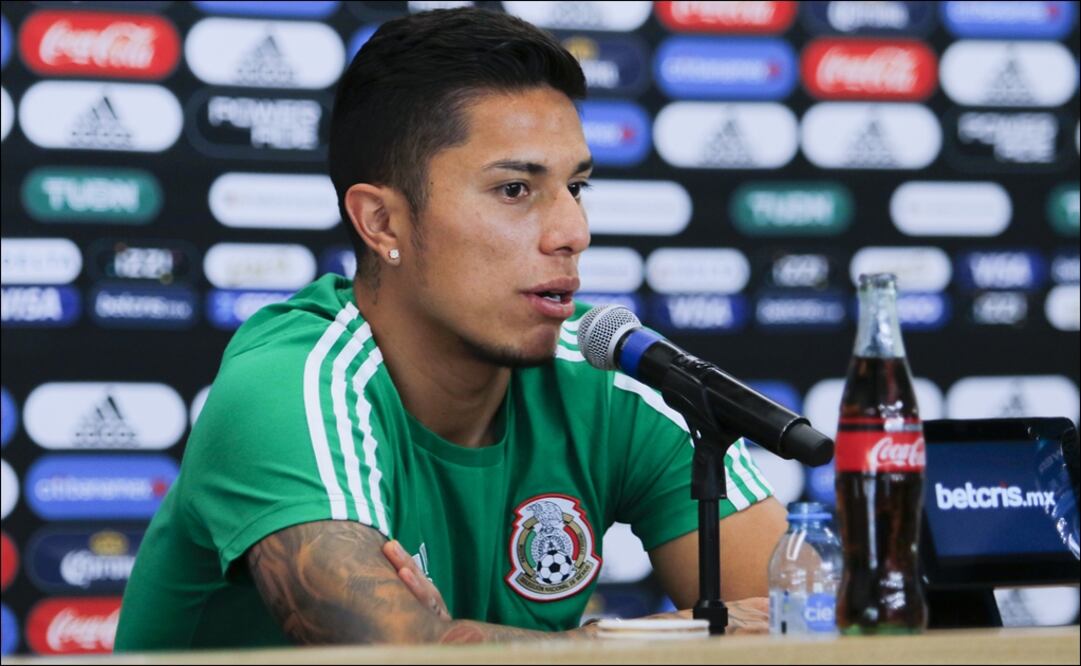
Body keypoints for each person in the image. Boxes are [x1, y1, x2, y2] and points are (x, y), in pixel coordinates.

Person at [115, 7, 786, 649]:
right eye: (514, 190)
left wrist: (460, 641)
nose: (572, 232)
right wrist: (664, 636)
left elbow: (795, 619)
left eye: (575, 187)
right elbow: (393, 653)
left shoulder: (608, 375)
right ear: (382, 223)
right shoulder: (291, 384)